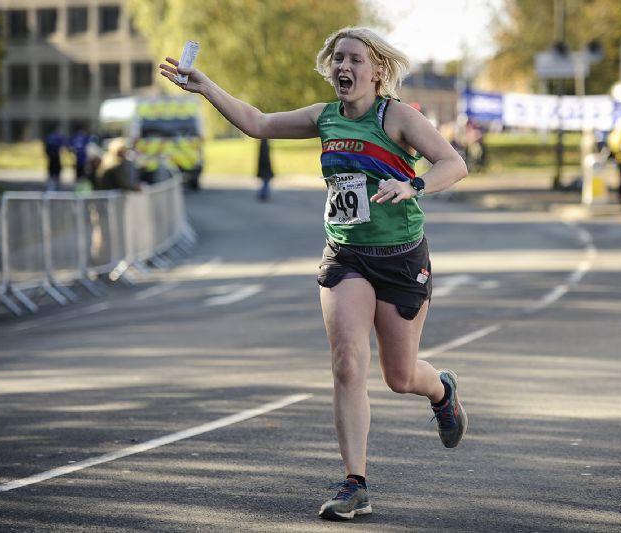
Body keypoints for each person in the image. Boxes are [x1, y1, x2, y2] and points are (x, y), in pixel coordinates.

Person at [159, 26, 468, 521]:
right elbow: (257, 123)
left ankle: (442, 390)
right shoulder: (324, 118)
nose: (344, 68)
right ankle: (355, 483)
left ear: (378, 71)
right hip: (345, 255)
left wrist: (413, 184)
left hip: (401, 257)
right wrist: (205, 86)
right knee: (348, 361)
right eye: (338, 59)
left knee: (400, 375)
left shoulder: (399, 118)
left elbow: (454, 164)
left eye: (355, 60)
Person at [607, 118, 621, 204]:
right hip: (620, 159)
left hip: (618, 158)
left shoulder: (613, 135)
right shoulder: (619, 135)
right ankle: (620, 196)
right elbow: (619, 146)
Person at [44, 125, 66, 191]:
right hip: (56, 157)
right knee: (56, 173)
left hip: (51, 158)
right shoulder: (58, 137)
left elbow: (46, 149)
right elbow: (63, 147)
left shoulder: (49, 137)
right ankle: (56, 188)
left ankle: (51, 189)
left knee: (51, 174)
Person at [256, 138, 274, 202]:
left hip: (264, 170)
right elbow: (266, 160)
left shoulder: (262, 148)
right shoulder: (264, 148)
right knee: (266, 183)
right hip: (265, 170)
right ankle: (263, 195)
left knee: (265, 183)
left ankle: (263, 195)